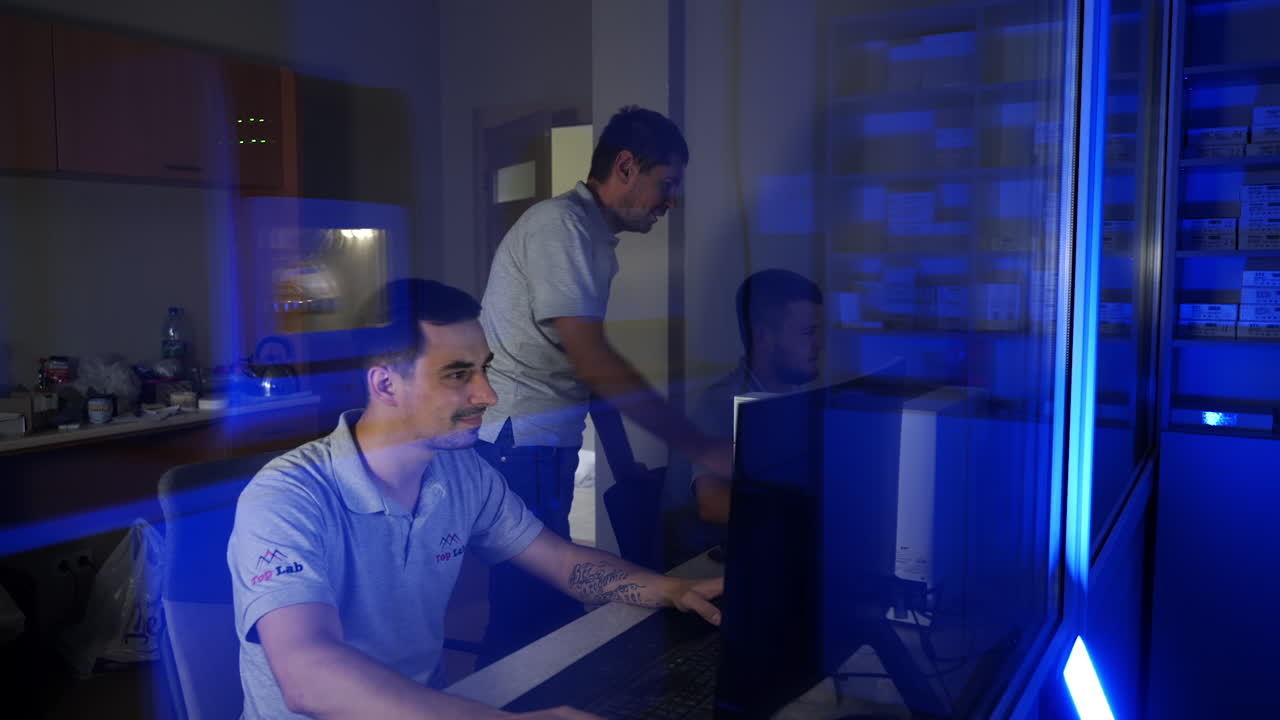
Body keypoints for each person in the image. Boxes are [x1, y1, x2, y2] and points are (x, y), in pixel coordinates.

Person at [227, 278, 722, 720]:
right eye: (458, 374)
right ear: (385, 384)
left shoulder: (463, 472)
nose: (488, 395)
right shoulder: (287, 496)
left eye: (484, 370)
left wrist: (672, 590)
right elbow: (307, 678)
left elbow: (561, 562)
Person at [476, 106, 732, 659]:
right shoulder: (561, 227)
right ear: (625, 166)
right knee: (527, 610)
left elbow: (582, 368)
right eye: (666, 184)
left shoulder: (589, 237)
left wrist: (623, 461)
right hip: (521, 441)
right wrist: (700, 446)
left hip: (540, 441)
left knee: (538, 606)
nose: (670, 201)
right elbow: (593, 360)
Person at [671, 269, 823, 555]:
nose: (818, 344)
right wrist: (817, 511)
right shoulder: (721, 403)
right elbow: (711, 504)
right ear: (764, 337)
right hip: (717, 562)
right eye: (807, 333)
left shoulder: (796, 397)